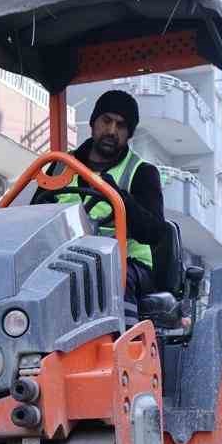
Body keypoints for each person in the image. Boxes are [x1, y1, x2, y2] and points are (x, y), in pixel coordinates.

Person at [32, 89, 168, 317]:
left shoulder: (142, 173)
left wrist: (119, 198)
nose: (112, 131)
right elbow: (34, 217)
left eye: (121, 125)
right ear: (94, 123)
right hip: (66, 264)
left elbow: (154, 232)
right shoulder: (59, 166)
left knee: (112, 276)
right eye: (106, 121)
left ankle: (122, 343)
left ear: (129, 134)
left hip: (127, 264)